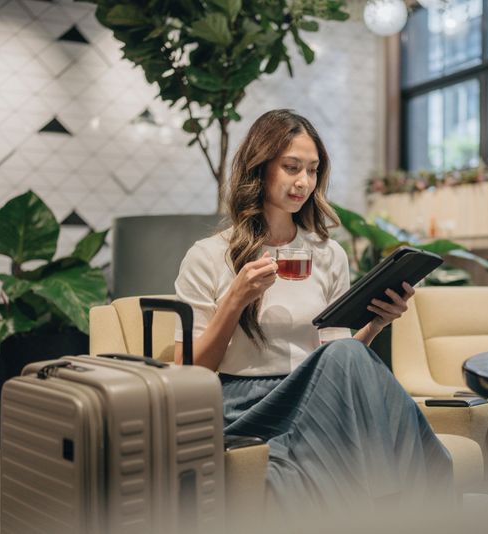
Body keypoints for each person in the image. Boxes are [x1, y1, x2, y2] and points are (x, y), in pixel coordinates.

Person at [174, 109, 452, 516]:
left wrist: (376, 323)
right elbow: (192, 371)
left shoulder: (327, 254)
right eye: (290, 168)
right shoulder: (209, 256)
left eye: (313, 170)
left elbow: (338, 354)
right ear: (260, 167)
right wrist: (235, 300)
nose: (303, 182)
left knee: (347, 353)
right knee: (347, 365)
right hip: (244, 405)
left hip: (320, 394)